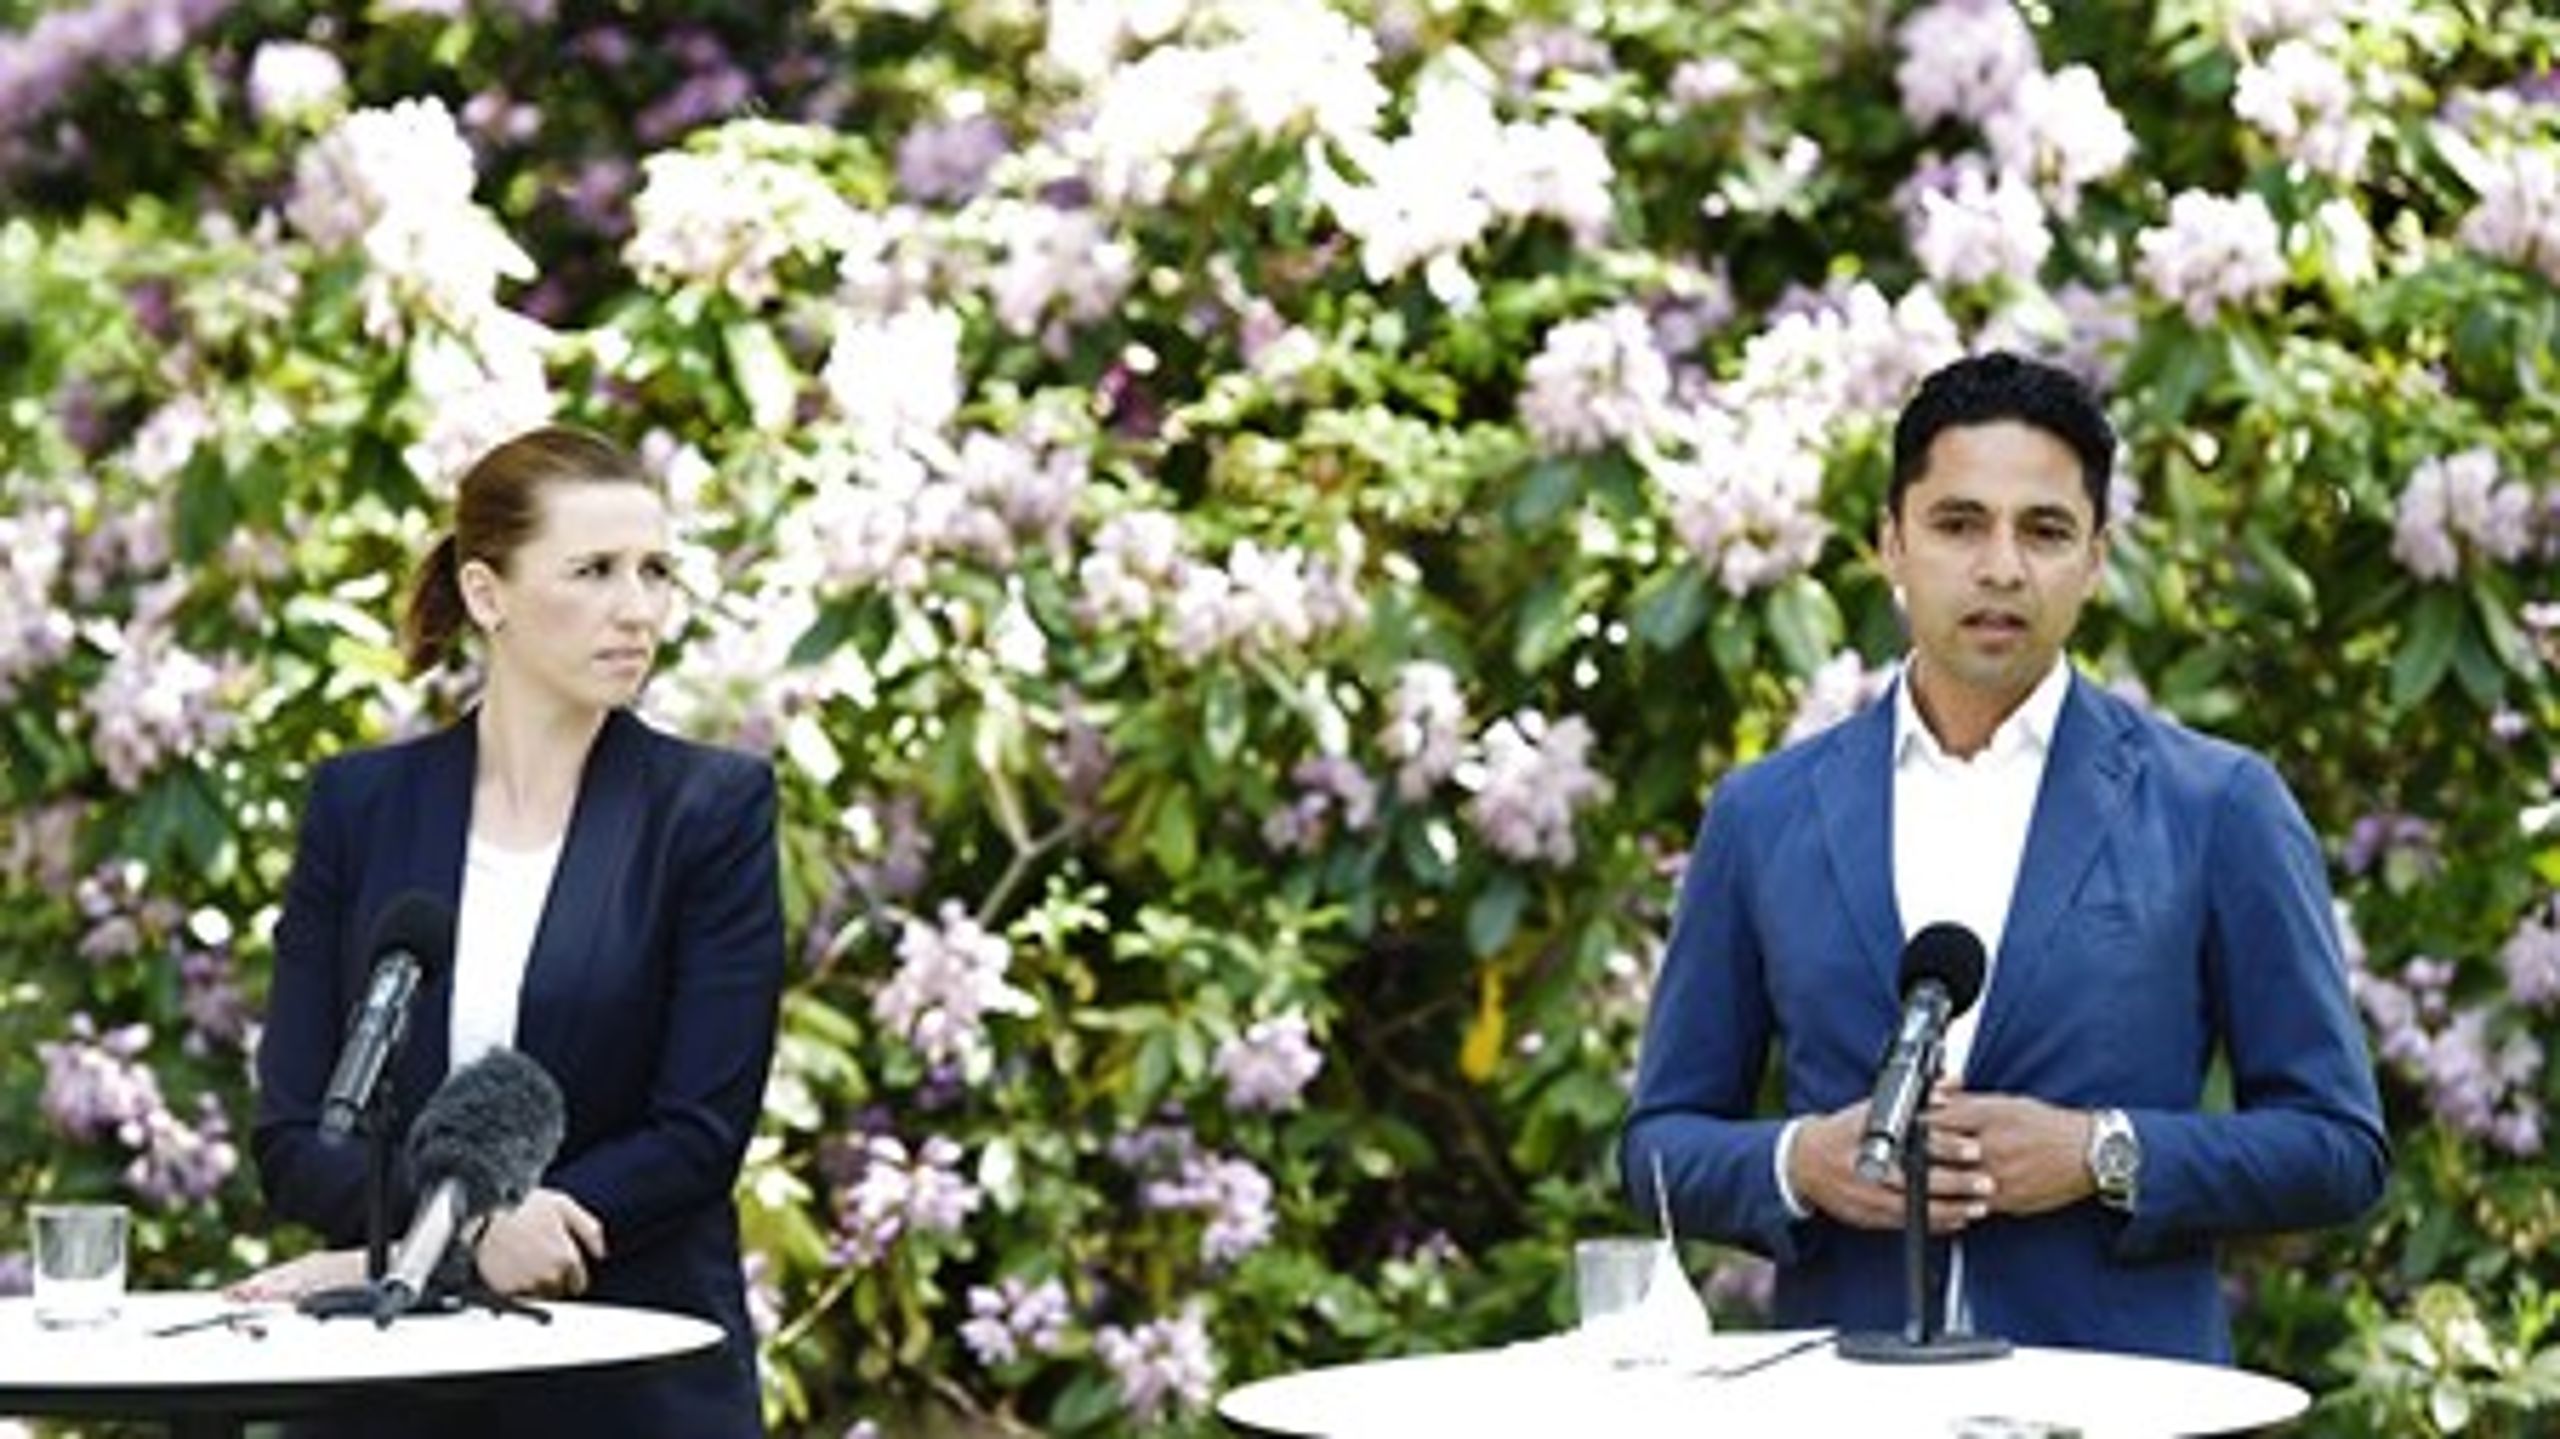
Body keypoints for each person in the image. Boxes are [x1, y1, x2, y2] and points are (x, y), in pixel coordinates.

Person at [1620, 350, 2387, 1363]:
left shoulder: (2218, 805)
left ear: (2096, 559)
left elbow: (2338, 1146)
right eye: (1958, 523)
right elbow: (1657, 1144)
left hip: (2119, 1405)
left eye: (2045, 530)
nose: (2000, 567)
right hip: (1844, 1401)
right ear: (1891, 544)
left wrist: (2102, 1151)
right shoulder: (1762, 813)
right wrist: (1801, 1162)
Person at [250, 424, 785, 1436]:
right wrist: (464, 1240)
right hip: (391, 1390)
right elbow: (298, 1132)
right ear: (486, 593)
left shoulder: (710, 810)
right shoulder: (360, 808)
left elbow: (697, 1134)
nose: (638, 608)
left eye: (656, 571)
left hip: (629, 1383)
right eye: (593, 570)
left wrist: (442, 1242)